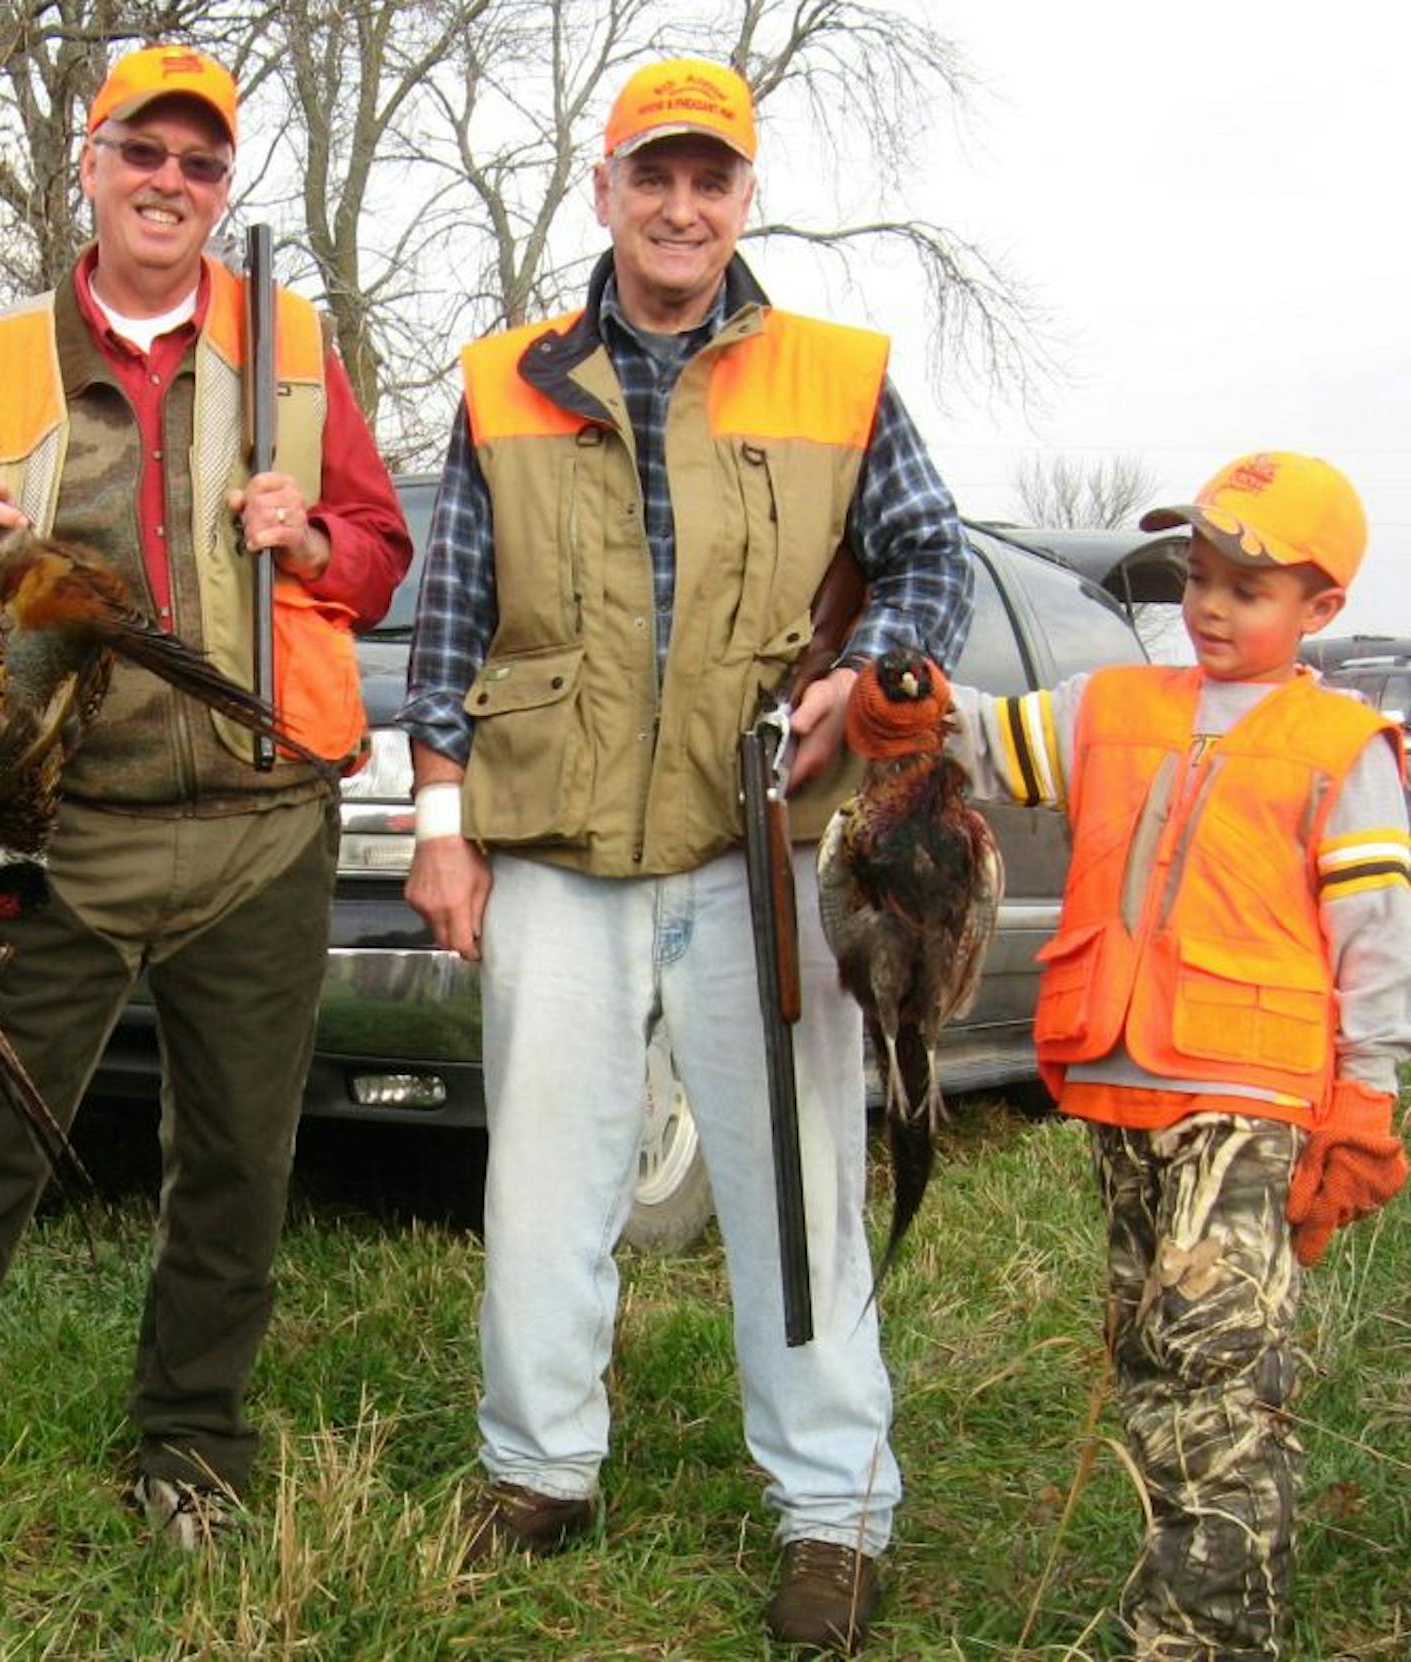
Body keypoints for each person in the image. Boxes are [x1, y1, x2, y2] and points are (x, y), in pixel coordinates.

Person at [0, 43, 410, 1552]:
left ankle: (193, 1456)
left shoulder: (292, 344)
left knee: (239, 1165)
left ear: (222, 187)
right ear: (88, 167)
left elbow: (378, 559)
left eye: (200, 162)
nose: (170, 183)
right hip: (68, 838)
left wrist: (310, 540)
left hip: (260, 827)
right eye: (142, 153)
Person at [397, 57, 971, 1655]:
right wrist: (441, 824)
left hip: (762, 847)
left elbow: (927, 550)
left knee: (796, 1183)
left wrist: (874, 670)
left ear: (742, 198)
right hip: (558, 844)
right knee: (545, 1177)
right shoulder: (506, 375)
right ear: (603, 188)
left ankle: (832, 1505)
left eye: (710, 178)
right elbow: (450, 610)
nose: (680, 204)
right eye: (653, 173)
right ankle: (538, 1469)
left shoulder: (839, 372)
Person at [903, 453, 1407, 1660]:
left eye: (1253, 586)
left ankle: (1208, 1636)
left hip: (1249, 1108)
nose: (1216, 605)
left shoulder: (1346, 748)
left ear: (1320, 610)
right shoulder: (1111, 705)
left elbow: (1377, 937)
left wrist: (1368, 1097)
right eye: (1204, 575)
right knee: (1151, 1366)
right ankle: (1184, 1604)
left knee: (1219, 1378)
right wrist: (904, 697)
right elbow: (978, 740)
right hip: (1125, 1097)